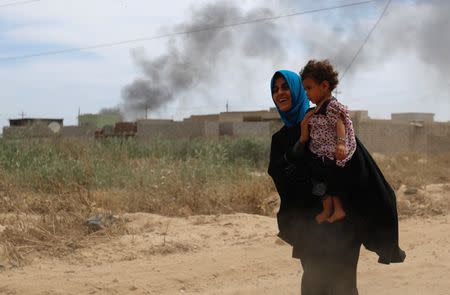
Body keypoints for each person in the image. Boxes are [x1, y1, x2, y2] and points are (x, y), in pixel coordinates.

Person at [268, 69, 405, 294]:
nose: (280, 93)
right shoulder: (280, 139)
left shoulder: (324, 120)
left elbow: (356, 162)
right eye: (275, 89)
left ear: (298, 91)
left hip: (342, 229)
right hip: (309, 228)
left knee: (342, 287)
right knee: (313, 286)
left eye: (285, 87)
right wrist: (301, 142)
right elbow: (283, 177)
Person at [300, 59, 357, 224]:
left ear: (324, 86)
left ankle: (337, 210)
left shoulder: (331, 106)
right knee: (320, 181)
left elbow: (340, 124)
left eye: (309, 88)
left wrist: (340, 143)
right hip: (319, 152)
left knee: (332, 181)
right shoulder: (317, 108)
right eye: (305, 89)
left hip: (331, 152)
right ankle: (328, 209)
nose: (307, 93)